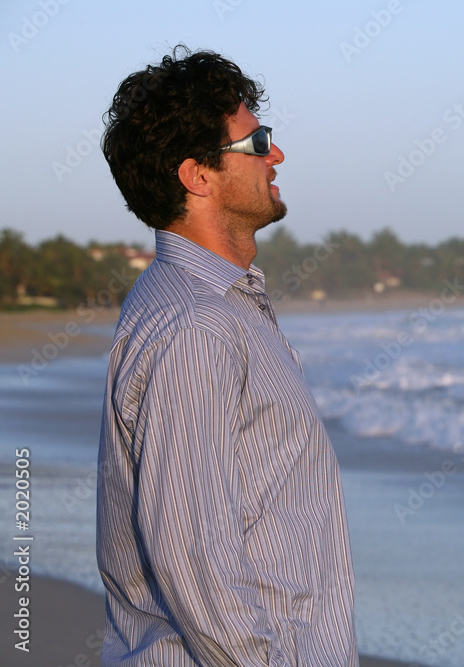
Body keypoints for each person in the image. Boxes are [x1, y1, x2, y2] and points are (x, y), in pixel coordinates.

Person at [96, 46, 358, 665]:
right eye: (257, 139)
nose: (276, 154)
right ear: (199, 176)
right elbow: (192, 552)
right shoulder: (198, 324)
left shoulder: (216, 305)